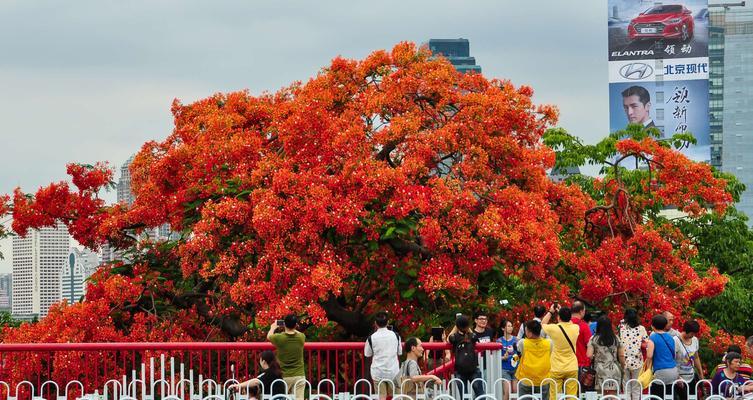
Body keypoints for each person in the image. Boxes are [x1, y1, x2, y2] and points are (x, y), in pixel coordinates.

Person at [541, 304, 579, 399]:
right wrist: (562, 311)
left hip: (556, 367)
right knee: (571, 396)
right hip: (572, 366)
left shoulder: (554, 328)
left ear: (558, 317)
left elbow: (543, 323)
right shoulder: (575, 328)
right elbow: (569, 321)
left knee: (555, 396)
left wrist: (551, 312)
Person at [364, 311, 402, 400]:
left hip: (378, 372)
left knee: (381, 397)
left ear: (375, 323)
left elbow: (367, 354)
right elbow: (400, 352)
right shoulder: (395, 336)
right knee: (397, 397)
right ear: (388, 322)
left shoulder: (371, 338)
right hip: (393, 371)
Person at [267, 315, 306, 400]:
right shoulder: (301, 337)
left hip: (284, 376)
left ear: (284, 324)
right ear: (295, 325)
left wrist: (273, 327)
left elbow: (269, 336)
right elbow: (298, 333)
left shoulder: (279, 338)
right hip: (299, 375)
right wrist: (293, 327)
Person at [448, 315, 485, 398]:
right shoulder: (472, 336)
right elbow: (473, 335)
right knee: (480, 395)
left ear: (457, 326)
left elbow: (449, 338)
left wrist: (456, 326)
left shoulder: (455, 338)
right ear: (467, 325)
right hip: (473, 369)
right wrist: (467, 327)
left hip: (460, 370)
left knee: (464, 397)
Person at [587, 316, 625, 396]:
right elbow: (621, 355)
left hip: (599, 370)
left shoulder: (593, 338)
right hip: (614, 369)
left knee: (601, 395)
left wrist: (596, 357)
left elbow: (589, 355)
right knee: (614, 395)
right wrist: (622, 366)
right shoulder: (616, 338)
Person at [645, 314, 680, 400]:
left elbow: (649, 356)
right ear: (665, 325)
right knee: (669, 395)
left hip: (661, 371)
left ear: (652, 326)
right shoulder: (671, 337)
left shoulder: (653, 337)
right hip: (673, 370)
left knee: (656, 396)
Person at [516, 320, 552, 400]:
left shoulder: (523, 343)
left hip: (526, 379)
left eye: (526, 331)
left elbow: (518, 350)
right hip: (544, 380)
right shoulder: (549, 343)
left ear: (530, 333)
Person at [619, 308, 648, 400]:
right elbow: (647, 343)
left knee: (626, 385)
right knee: (636, 386)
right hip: (637, 360)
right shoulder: (641, 328)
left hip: (624, 359)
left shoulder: (621, 327)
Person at [674, 320, 704, 400]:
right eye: (692, 333)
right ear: (686, 330)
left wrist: (701, 373)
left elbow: (696, 357)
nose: (693, 335)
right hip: (679, 377)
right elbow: (672, 359)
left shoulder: (695, 340)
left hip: (691, 375)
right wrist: (677, 377)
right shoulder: (675, 340)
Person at [571, 301, 593, 389]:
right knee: (582, 392)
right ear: (581, 311)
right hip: (582, 363)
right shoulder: (584, 326)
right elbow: (589, 344)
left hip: (568, 364)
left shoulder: (565, 325)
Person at [497, 318, 519, 400]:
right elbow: (495, 357)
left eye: (511, 326)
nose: (511, 328)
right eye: (508, 326)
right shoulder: (499, 341)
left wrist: (516, 357)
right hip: (505, 369)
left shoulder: (516, 340)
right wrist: (503, 358)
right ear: (503, 328)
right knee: (507, 392)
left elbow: (520, 354)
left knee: (515, 392)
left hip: (515, 368)